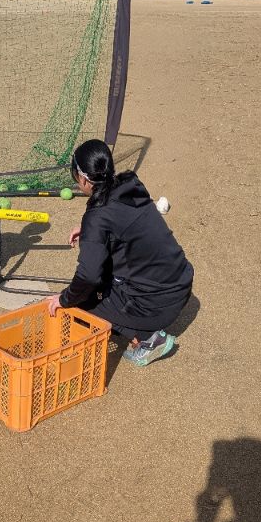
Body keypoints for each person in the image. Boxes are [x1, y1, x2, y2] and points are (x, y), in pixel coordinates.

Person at [47, 139, 193, 366]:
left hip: (158, 301)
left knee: (81, 302)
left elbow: (88, 276)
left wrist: (64, 299)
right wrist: (88, 230)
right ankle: (129, 321)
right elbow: (126, 225)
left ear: (84, 179)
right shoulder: (130, 184)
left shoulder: (98, 218)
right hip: (180, 280)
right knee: (103, 278)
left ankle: (149, 338)